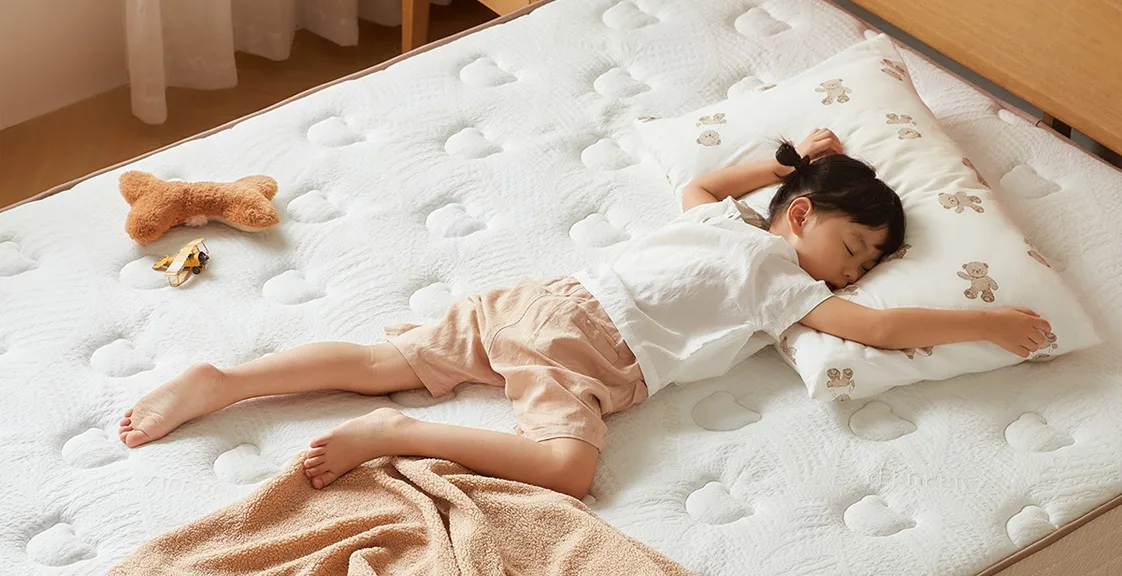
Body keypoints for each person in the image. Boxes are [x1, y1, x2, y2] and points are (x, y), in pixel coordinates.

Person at [118, 129, 1050, 499]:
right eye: (852, 254)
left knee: (376, 354)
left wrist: (781, 166)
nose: (850, 282)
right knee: (566, 468)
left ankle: (226, 380)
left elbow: (697, 178)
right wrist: (991, 322)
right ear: (802, 222)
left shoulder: (723, 218)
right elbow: (884, 332)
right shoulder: (785, 283)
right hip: (589, 352)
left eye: (865, 271)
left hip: (536, 296)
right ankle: (397, 434)